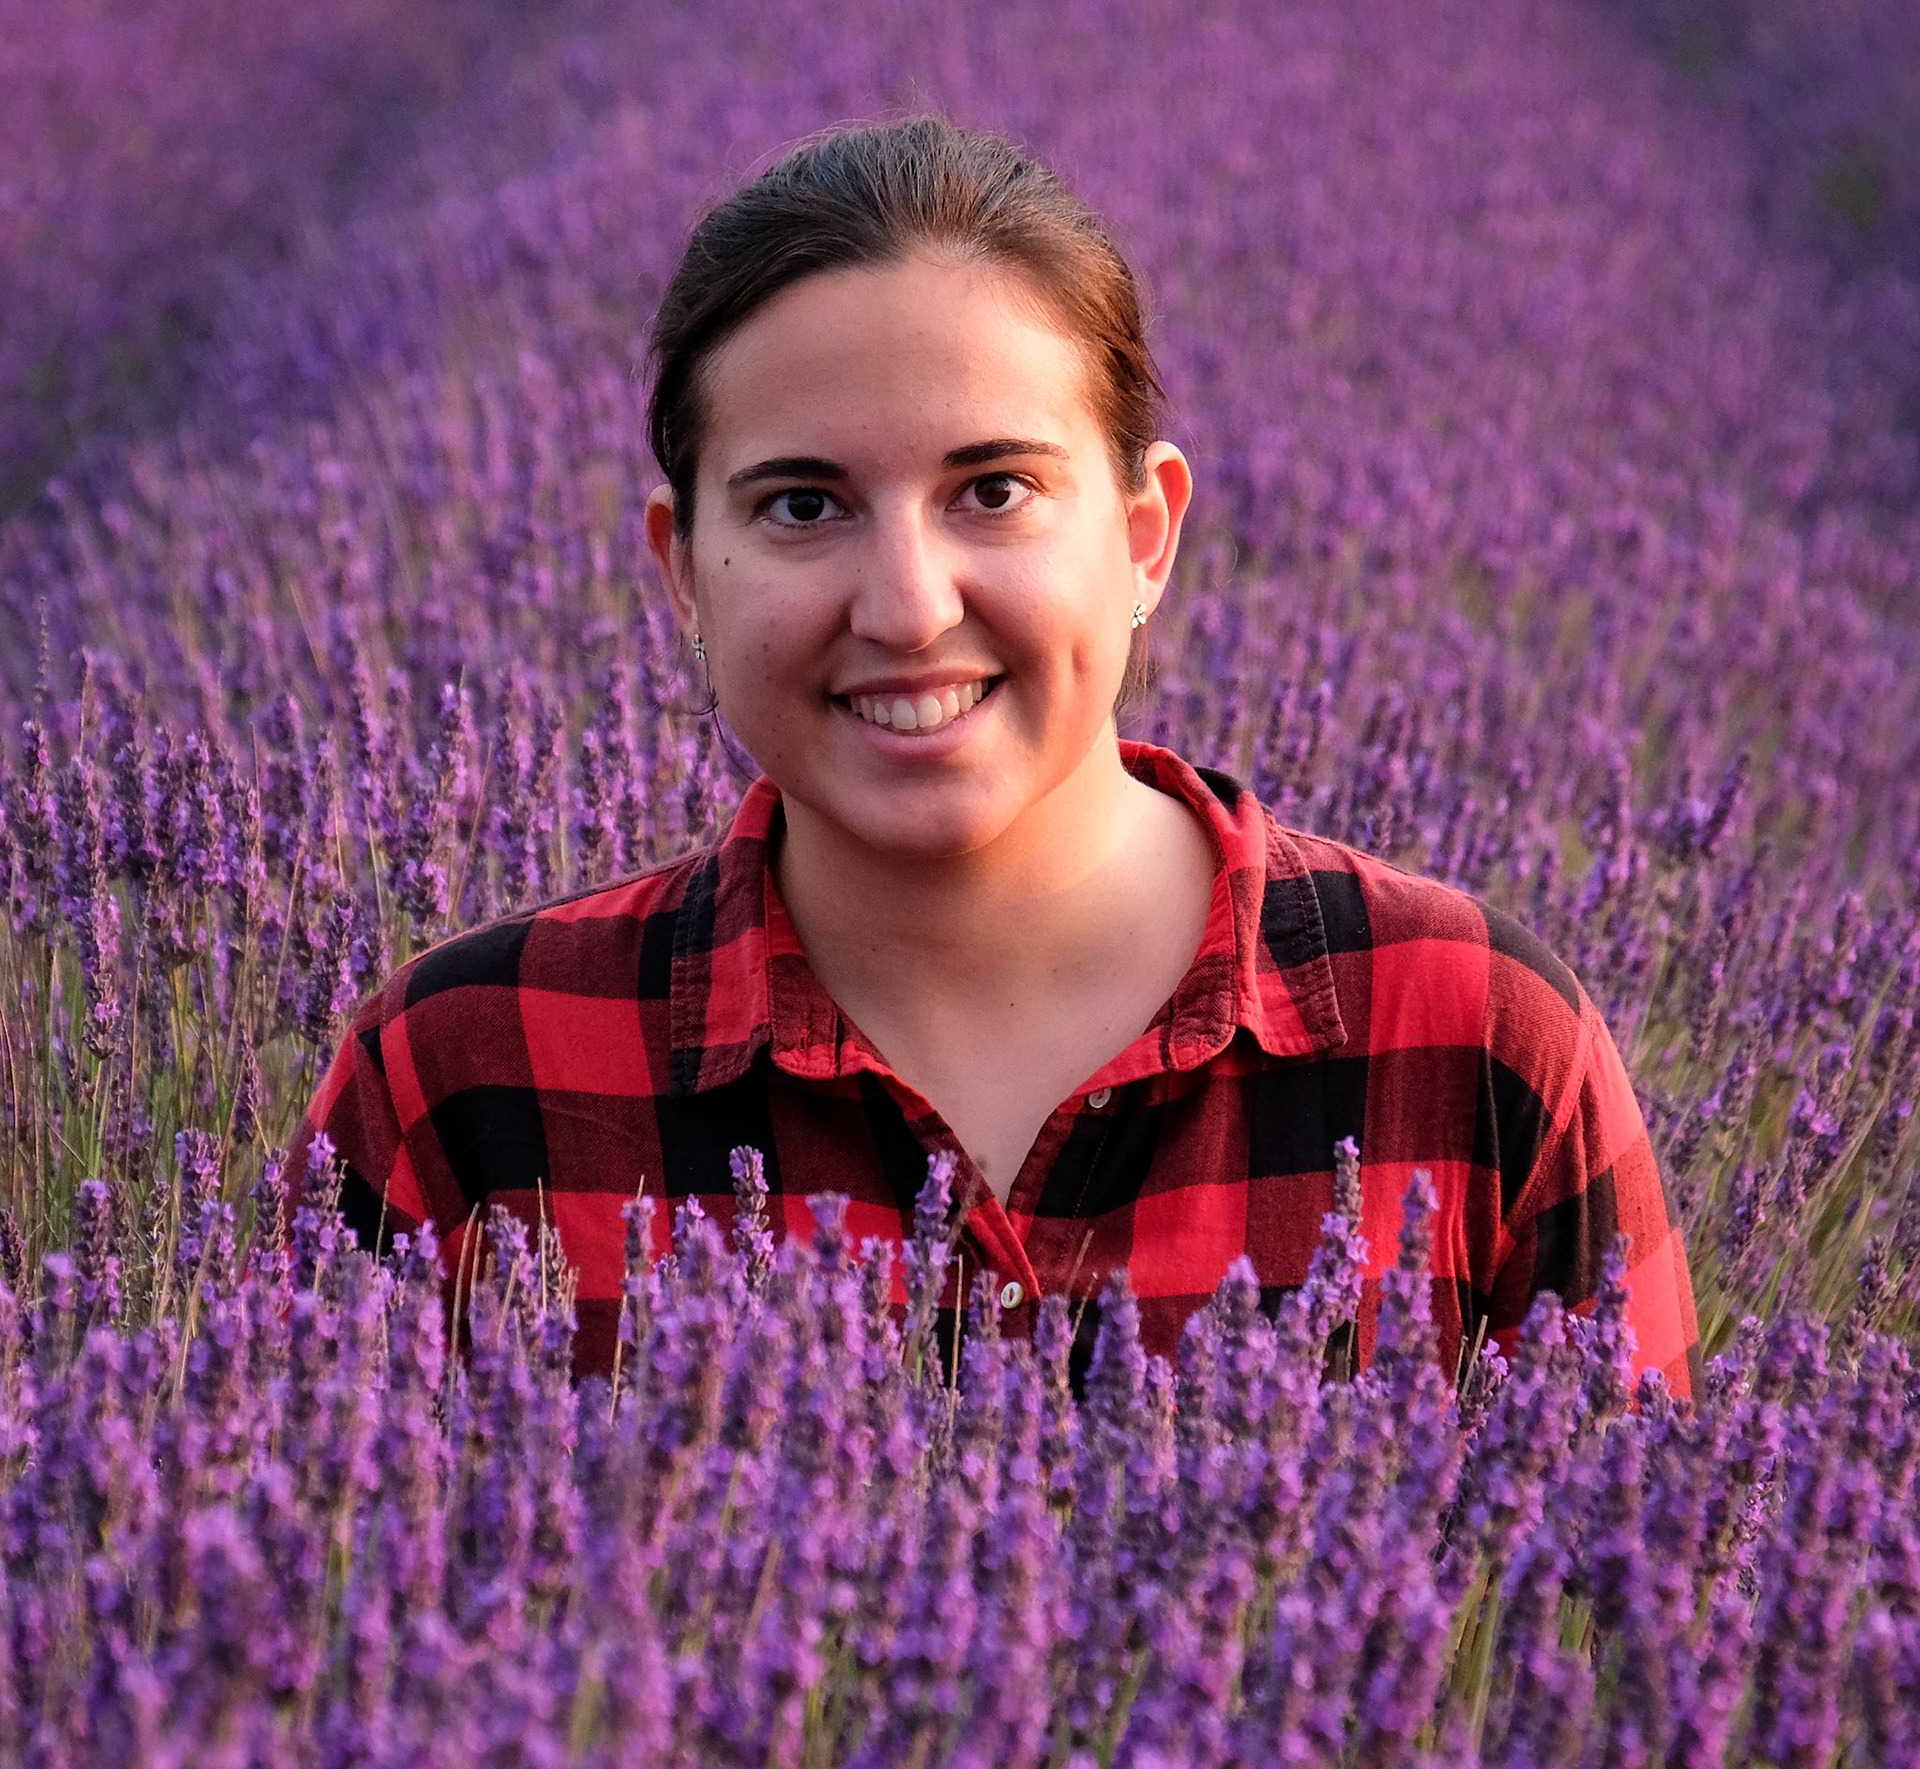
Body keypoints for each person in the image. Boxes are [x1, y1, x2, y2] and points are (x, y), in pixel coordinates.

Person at [294, 117, 1700, 1398]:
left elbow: (1644, 1574)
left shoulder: (1470, 1041)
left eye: (995, 489)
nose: (908, 608)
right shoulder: (465, 1074)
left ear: (1145, 536)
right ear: (683, 572)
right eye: (803, 506)